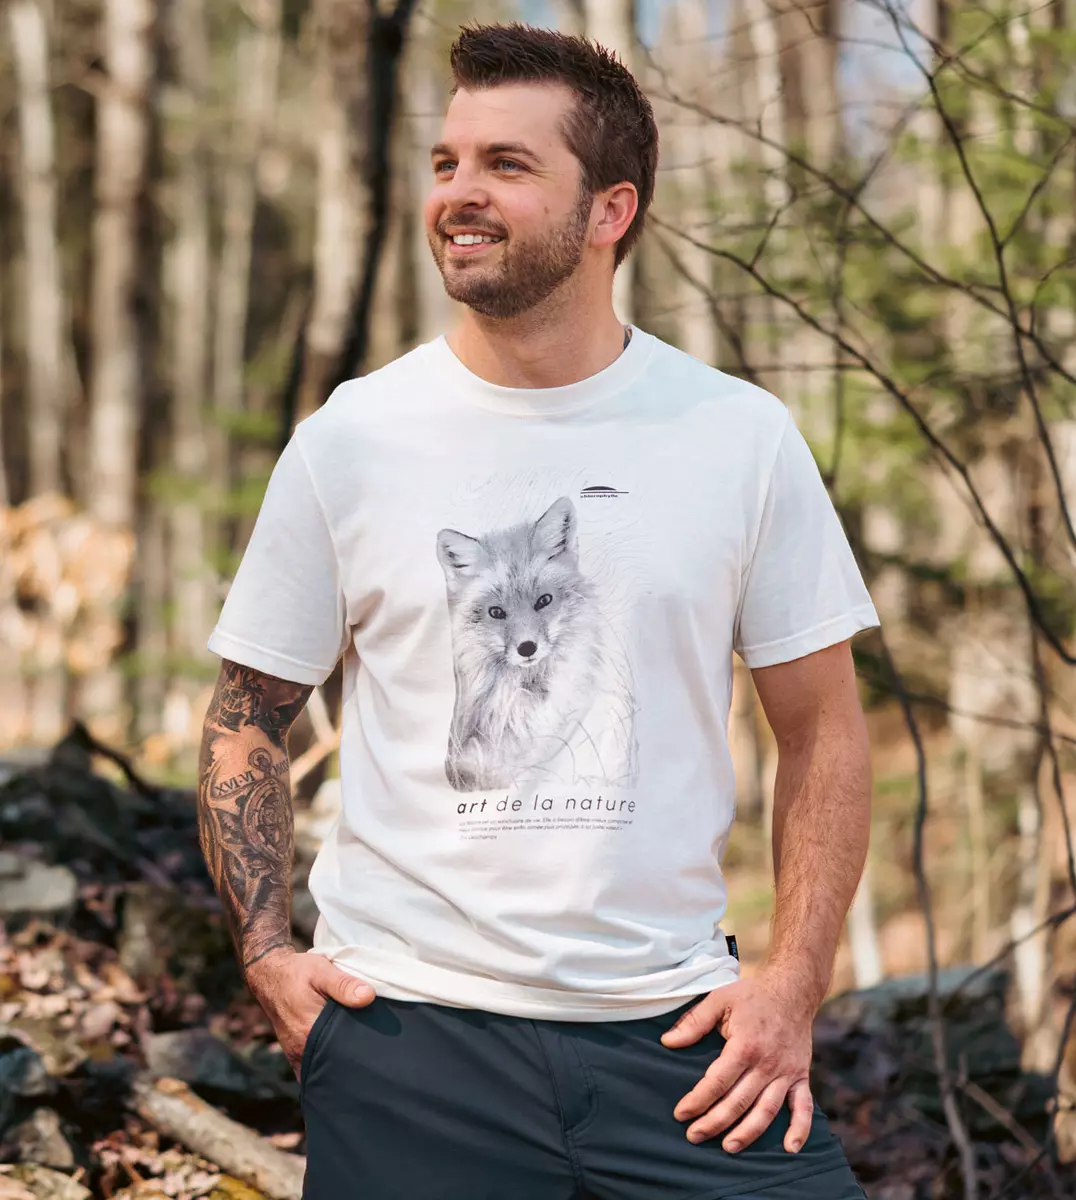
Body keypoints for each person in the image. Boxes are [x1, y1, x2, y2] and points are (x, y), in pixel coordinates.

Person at [199, 22, 878, 1200]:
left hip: (680, 1039)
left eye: (506, 165)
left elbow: (822, 729)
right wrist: (266, 956)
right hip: (410, 1038)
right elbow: (246, 714)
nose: (459, 193)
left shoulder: (737, 438)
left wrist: (792, 985)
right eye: (447, 162)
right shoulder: (353, 440)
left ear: (610, 210)